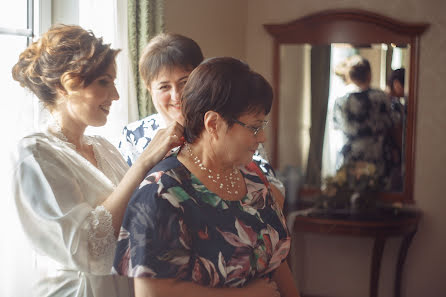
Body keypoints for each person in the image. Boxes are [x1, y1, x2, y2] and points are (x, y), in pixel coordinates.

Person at [11, 24, 184, 297]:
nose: (115, 95)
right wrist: (143, 163)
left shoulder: (104, 148)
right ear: (67, 84)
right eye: (104, 82)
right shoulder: (35, 154)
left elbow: (138, 225)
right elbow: (89, 249)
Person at [113, 57, 300, 297]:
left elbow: (277, 263)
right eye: (254, 127)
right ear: (213, 123)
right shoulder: (162, 192)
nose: (262, 136)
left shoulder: (252, 180)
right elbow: (151, 293)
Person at [117, 33, 285, 196]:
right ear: (149, 89)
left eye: (184, 82)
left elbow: (275, 195)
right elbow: (123, 204)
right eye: (164, 87)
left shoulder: (227, 127)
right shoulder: (133, 136)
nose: (177, 96)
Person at [332, 55, 401, 190]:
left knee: (348, 199)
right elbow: (394, 124)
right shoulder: (381, 97)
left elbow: (338, 128)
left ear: (350, 76)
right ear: (369, 75)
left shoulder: (340, 101)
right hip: (377, 160)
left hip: (350, 160)